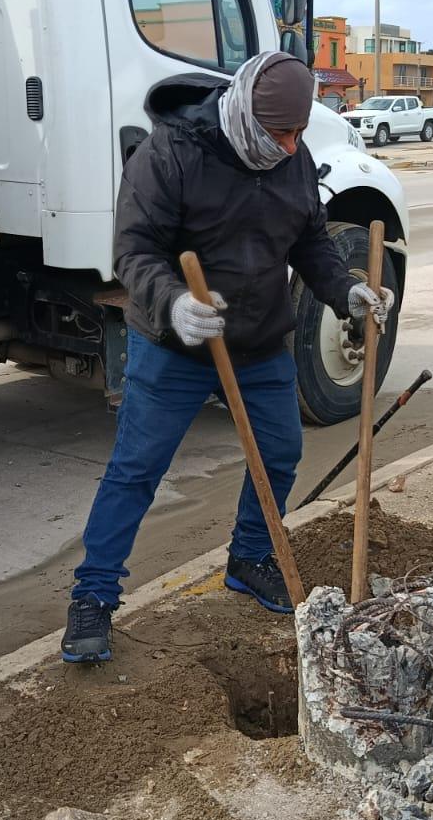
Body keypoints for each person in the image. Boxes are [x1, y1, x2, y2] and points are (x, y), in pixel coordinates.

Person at [60, 52, 393, 663]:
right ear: (246, 116)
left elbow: (310, 241)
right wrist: (174, 303)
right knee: (137, 468)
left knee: (281, 453)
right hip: (174, 344)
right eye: (280, 133)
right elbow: (132, 252)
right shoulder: (171, 154)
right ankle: (94, 596)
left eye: (299, 133)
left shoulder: (291, 161)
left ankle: (249, 556)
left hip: (260, 340)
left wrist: (345, 290)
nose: (292, 147)